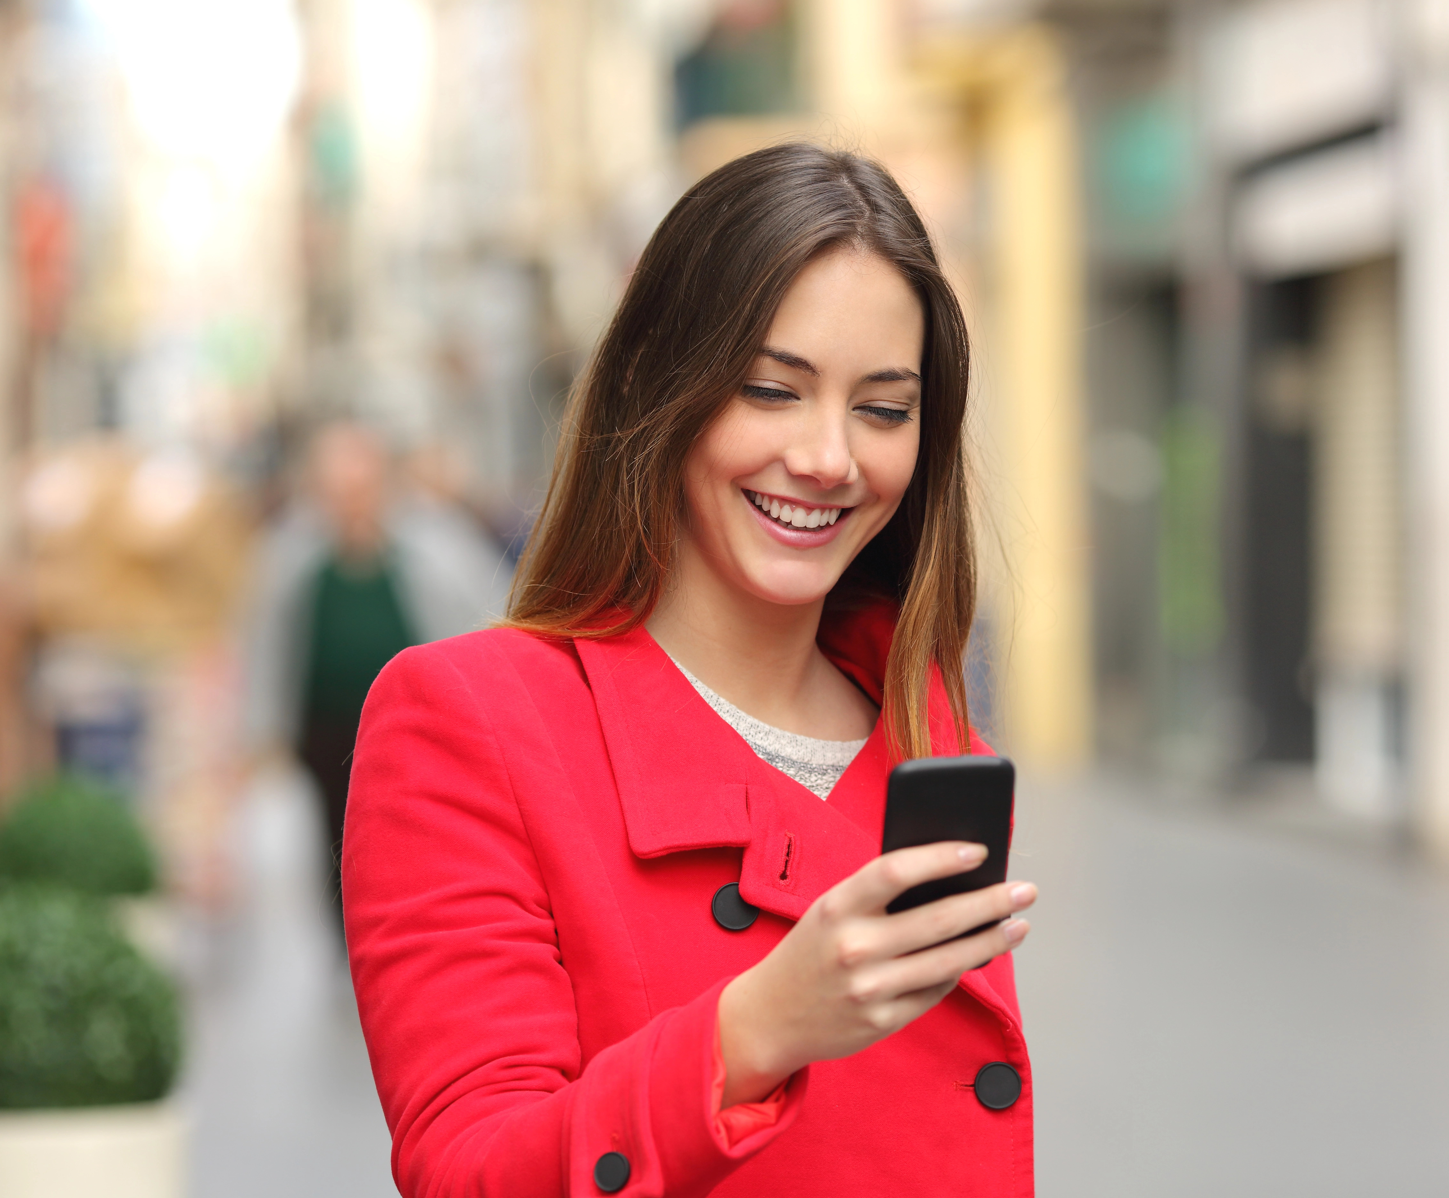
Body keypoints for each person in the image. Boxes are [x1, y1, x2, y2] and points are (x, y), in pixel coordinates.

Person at [342, 144, 1039, 1197]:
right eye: (771, 388)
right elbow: (469, 1172)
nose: (827, 457)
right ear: (658, 386)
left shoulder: (925, 738)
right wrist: (753, 1031)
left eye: (883, 408)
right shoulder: (469, 721)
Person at [242, 423, 509, 930]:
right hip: (322, 740)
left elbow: (491, 618)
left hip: (418, 734)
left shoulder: (436, 548)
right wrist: (259, 737)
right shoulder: (289, 556)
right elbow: (263, 647)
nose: (350, 501)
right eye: (337, 490)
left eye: (361, 487)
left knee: (417, 845)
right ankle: (348, 950)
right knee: (333, 855)